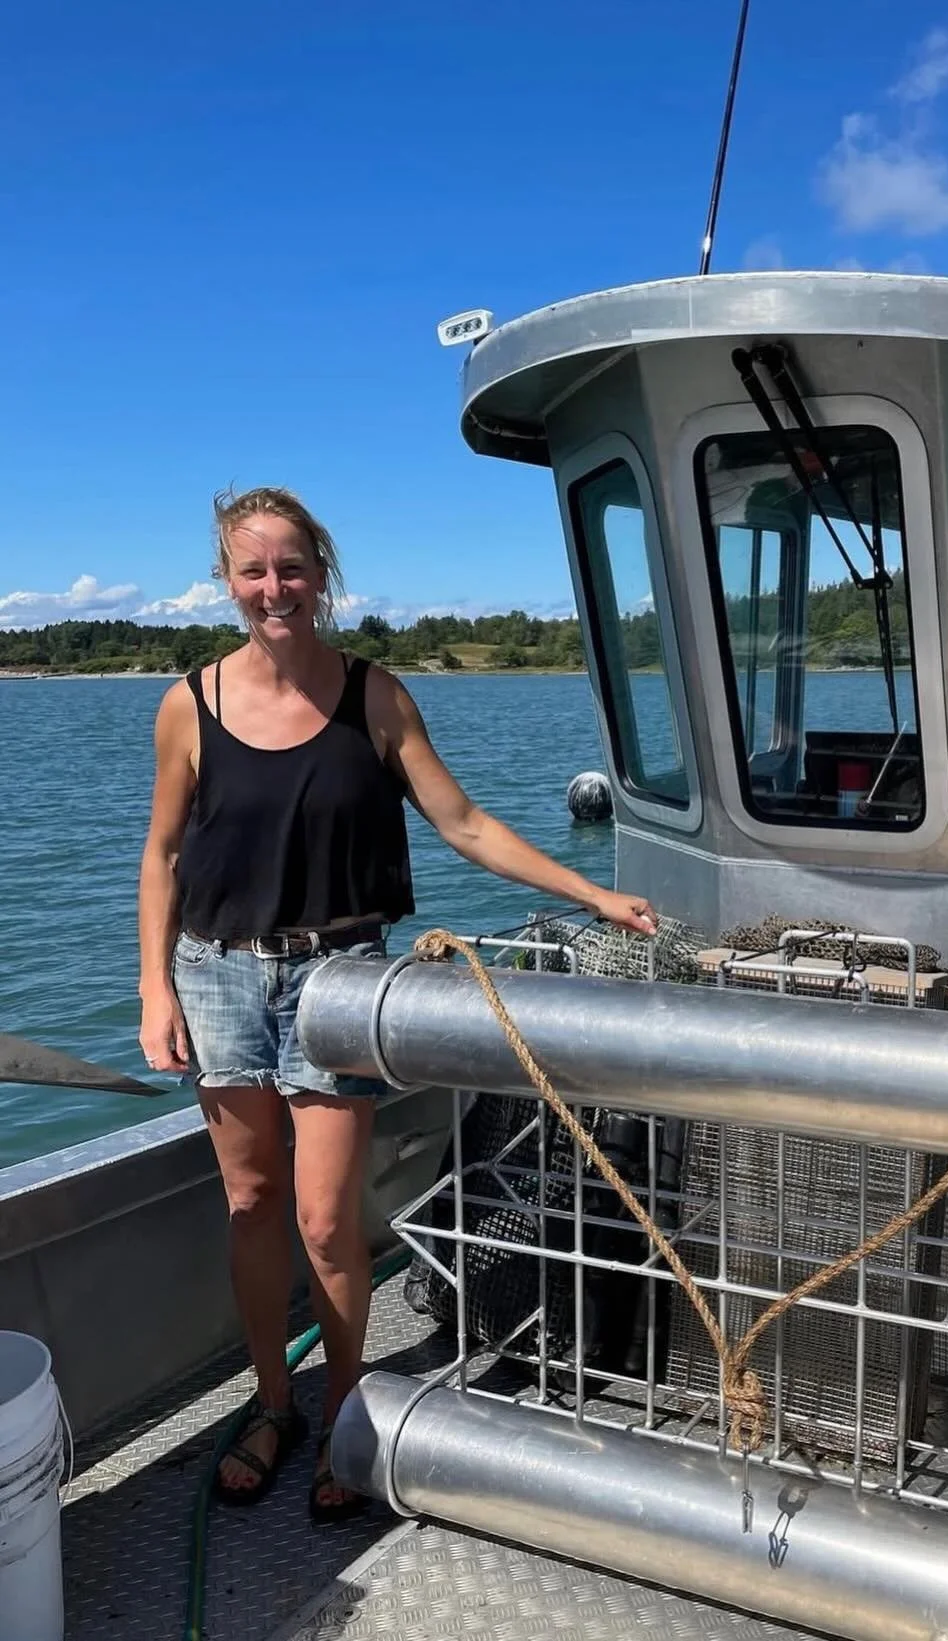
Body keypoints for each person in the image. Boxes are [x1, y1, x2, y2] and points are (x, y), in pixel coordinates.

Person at [137, 485, 656, 1522]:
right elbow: (161, 854)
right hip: (218, 974)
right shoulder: (187, 703)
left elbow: (462, 821)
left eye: (291, 567)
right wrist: (155, 986)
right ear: (226, 582)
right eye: (253, 570)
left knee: (327, 1220)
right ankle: (272, 1405)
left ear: (320, 574)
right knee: (251, 1203)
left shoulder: (373, 696)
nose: (274, 588)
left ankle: (343, 1416)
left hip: (338, 982)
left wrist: (592, 892)